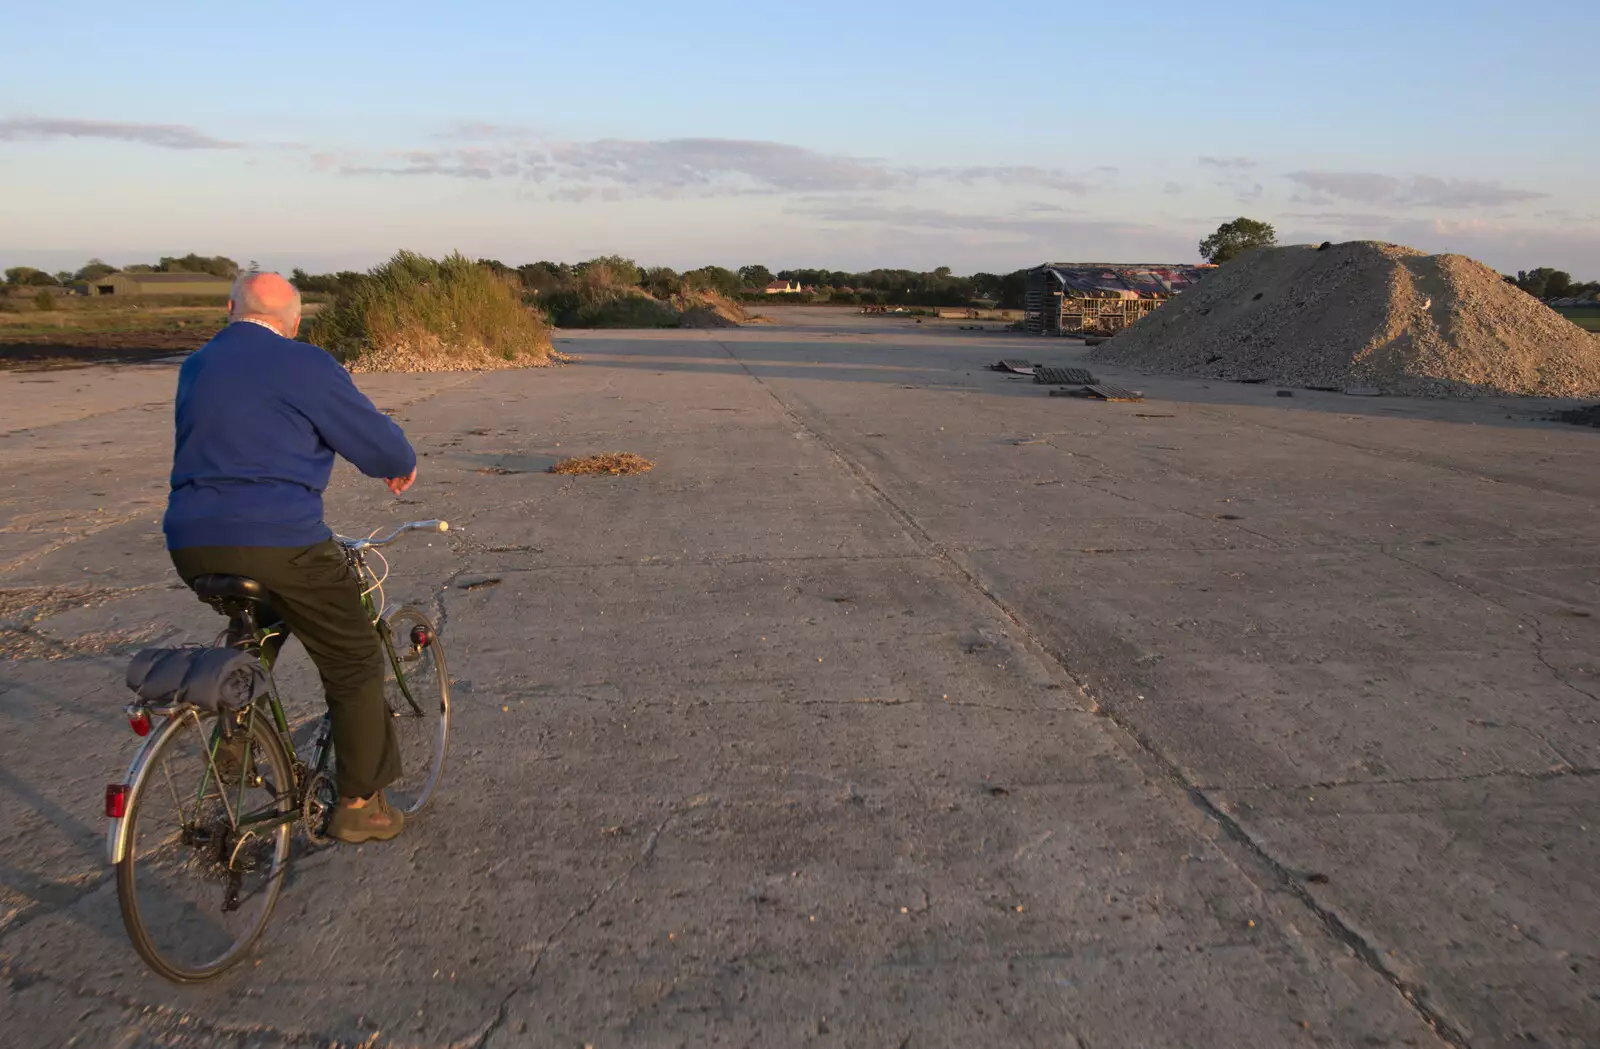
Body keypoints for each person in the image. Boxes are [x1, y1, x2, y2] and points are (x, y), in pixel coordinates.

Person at [163, 272, 418, 843]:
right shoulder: (303, 363)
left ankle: (234, 739)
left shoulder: (196, 365)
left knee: (259, 619)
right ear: (294, 322)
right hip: (278, 538)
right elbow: (377, 442)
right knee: (353, 655)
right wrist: (397, 462)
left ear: (230, 308)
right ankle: (357, 805)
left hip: (190, 540)